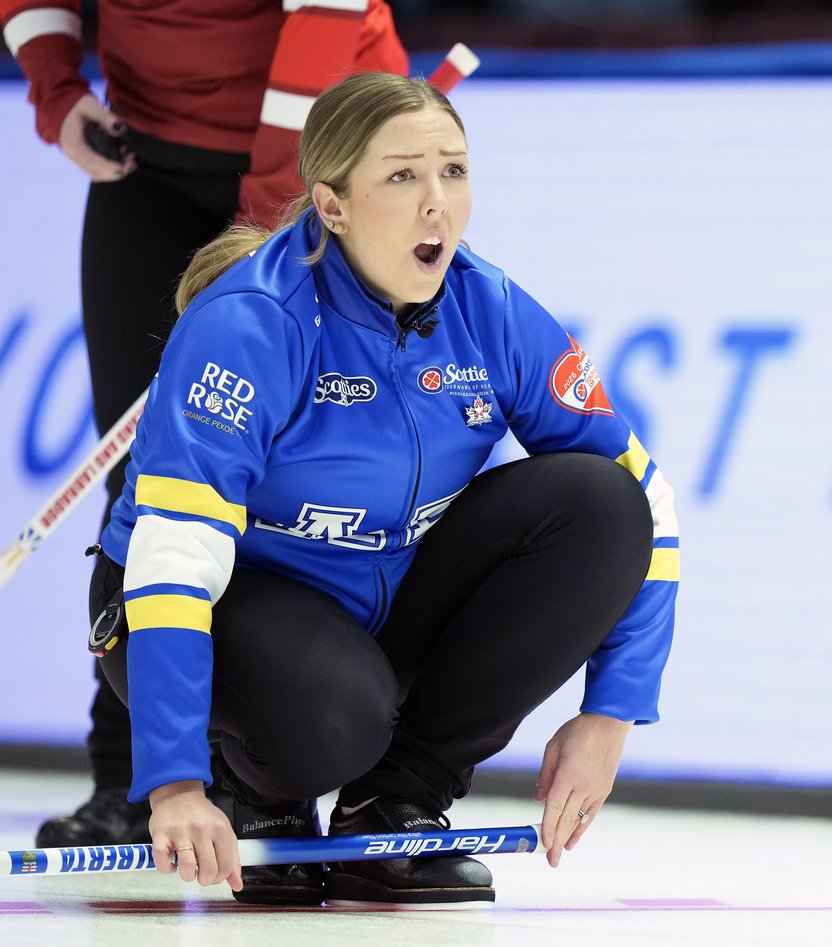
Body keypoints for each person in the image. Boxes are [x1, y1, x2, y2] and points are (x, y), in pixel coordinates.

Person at [87, 70, 680, 907]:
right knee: (342, 714)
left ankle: (398, 799)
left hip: (368, 609)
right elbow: (174, 560)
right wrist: (176, 784)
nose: (437, 202)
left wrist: (612, 713)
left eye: (454, 170)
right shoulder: (250, 325)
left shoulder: (493, 311)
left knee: (599, 503)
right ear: (331, 205)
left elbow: (648, 508)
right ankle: (260, 788)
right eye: (403, 175)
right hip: (201, 605)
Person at [0, 0, 409, 849]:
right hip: (146, 155)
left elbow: (325, 17)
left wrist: (274, 199)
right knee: (145, 477)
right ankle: (130, 775)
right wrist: (54, 86)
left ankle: (359, 779)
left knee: (312, 468)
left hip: (321, 153)